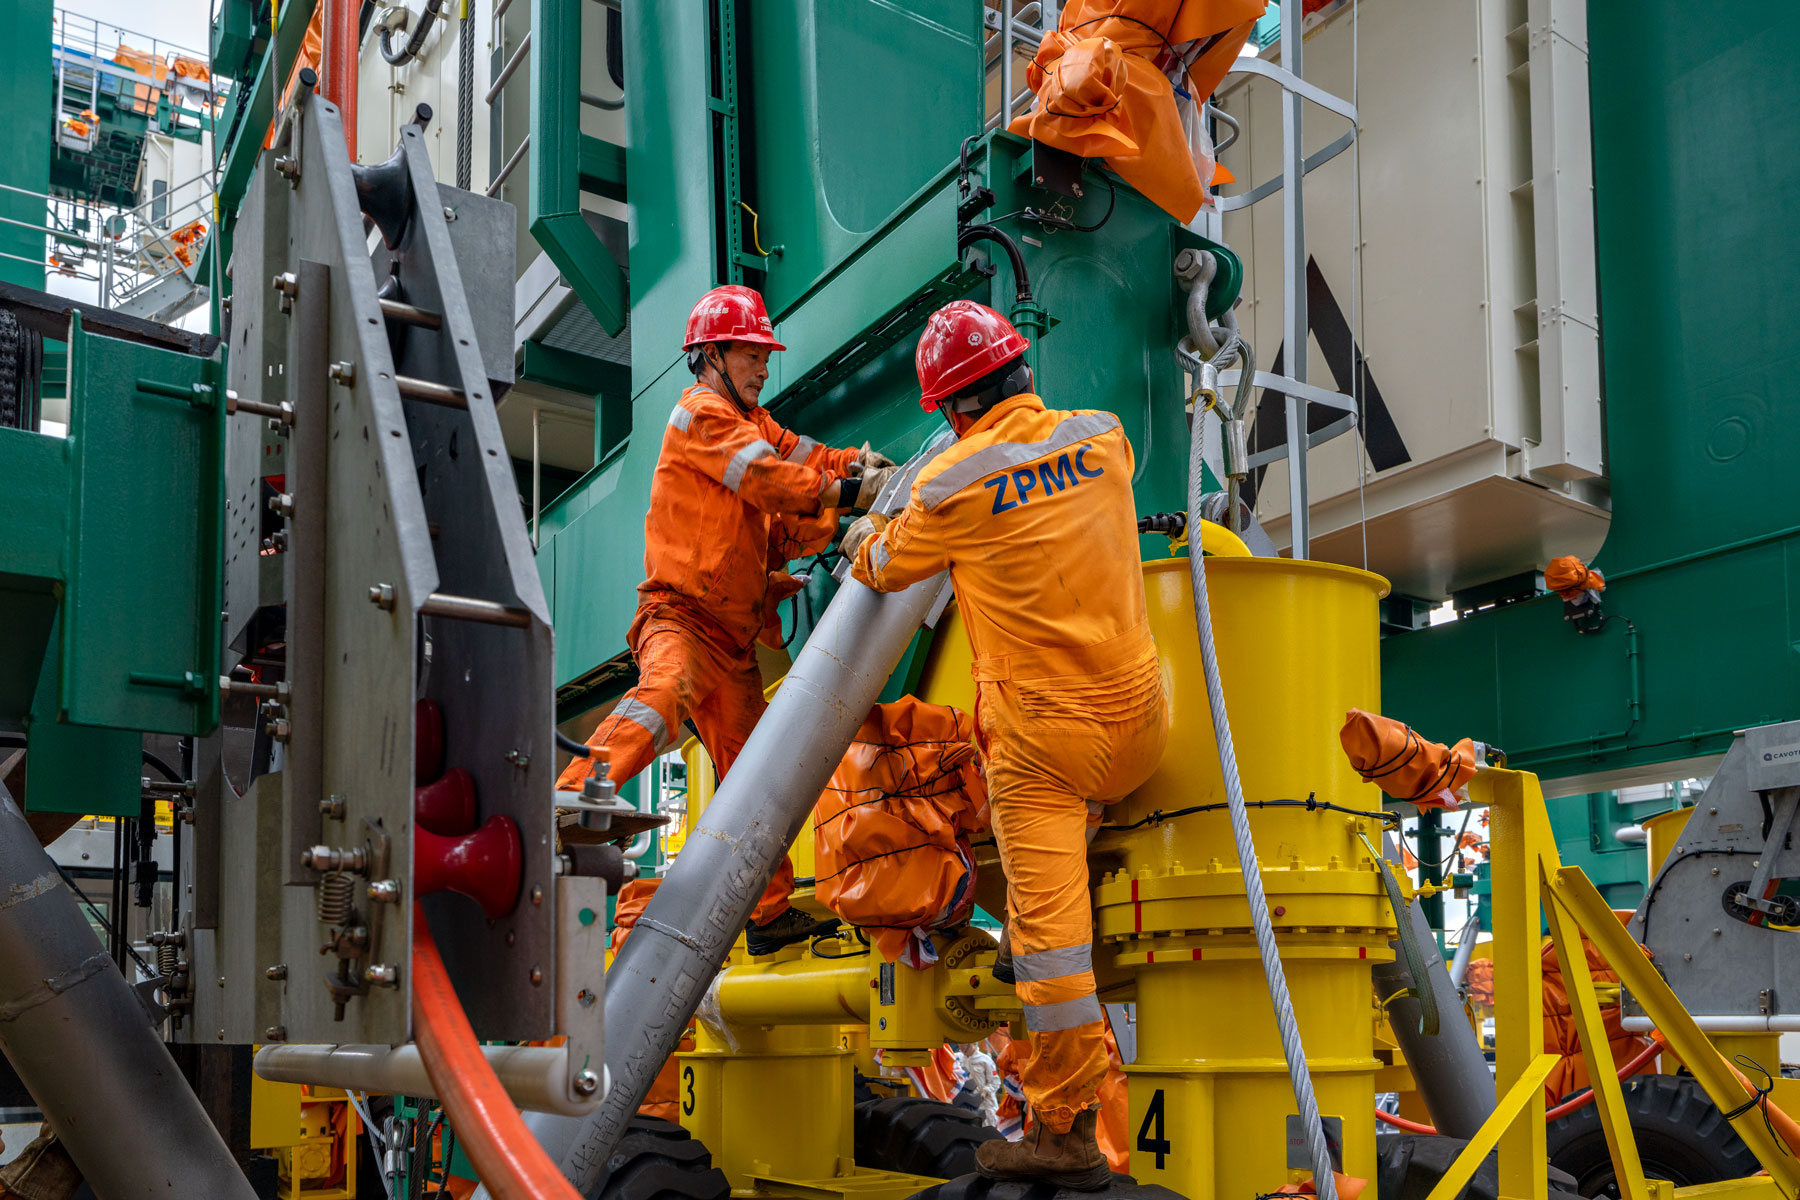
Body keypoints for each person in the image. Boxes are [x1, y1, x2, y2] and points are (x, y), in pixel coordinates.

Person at [843, 300, 1167, 1189]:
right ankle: (1024, 926)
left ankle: (1063, 1131)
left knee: (1057, 953)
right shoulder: (1103, 437)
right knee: (1055, 866)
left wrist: (863, 524)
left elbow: (881, 567)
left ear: (953, 407)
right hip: (1142, 728)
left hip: (1047, 749)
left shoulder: (950, 483)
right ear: (1022, 372)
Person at [558, 284, 896, 956]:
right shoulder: (701, 415)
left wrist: (854, 464)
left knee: (755, 776)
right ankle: (571, 798)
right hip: (681, 619)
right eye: (752, 355)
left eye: (765, 356)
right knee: (662, 694)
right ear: (711, 354)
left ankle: (766, 912)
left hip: (732, 641)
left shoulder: (753, 422)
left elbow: (805, 458)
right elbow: (769, 480)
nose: (764, 368)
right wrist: (855, 491)